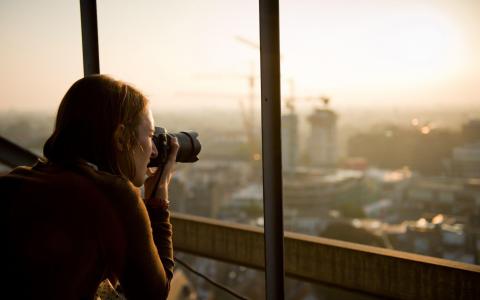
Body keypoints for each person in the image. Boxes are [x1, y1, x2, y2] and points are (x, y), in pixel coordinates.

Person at [0, 75, 178, 299]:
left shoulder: (14, 182)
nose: (153, 151)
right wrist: (158, 198)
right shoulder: (115, 196)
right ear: (121, 138)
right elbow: (153, 294)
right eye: (150, 136)